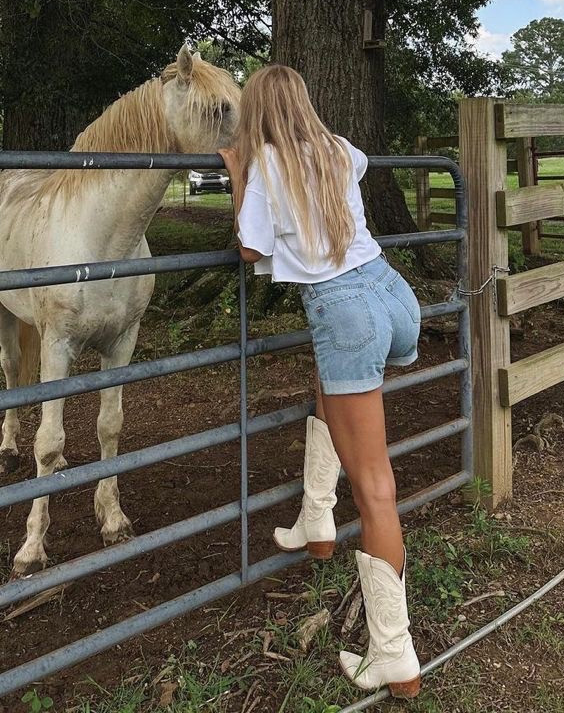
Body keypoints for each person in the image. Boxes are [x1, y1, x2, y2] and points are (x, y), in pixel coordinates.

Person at [219, 64, 422, 699]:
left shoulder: (268, 169)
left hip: (345, 311)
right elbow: (354, 174)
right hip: (393, 296)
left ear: (256, 114)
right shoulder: (338, 149)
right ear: (304, 105)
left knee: (377, 487)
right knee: (331, 391)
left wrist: (238, 177)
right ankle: (317, 519)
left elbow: (250, 250)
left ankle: (393, 652)